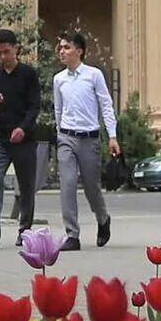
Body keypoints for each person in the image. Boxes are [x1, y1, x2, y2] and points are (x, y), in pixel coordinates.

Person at [52, 30, 120, 253]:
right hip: (66, 138)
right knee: (68, 185)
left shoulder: (94, 75)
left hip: (89, 139)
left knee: (92, 188)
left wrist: (112, 136)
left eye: (66, 47)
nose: (62, 51)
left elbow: (106, 106)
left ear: (79, 51)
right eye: (60, 47)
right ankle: (72, 234)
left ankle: (103, 219)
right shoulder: (58, 79)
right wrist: (59, 131)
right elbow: (58, 109)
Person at [0, 29, 42, 249]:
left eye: (6, 51)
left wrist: (23, 128)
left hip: (24, 139)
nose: (3, 56)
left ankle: (25, 230)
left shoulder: (28, 74)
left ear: (16, 49)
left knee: (26, 186)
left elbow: (35, 106)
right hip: (0, 138)